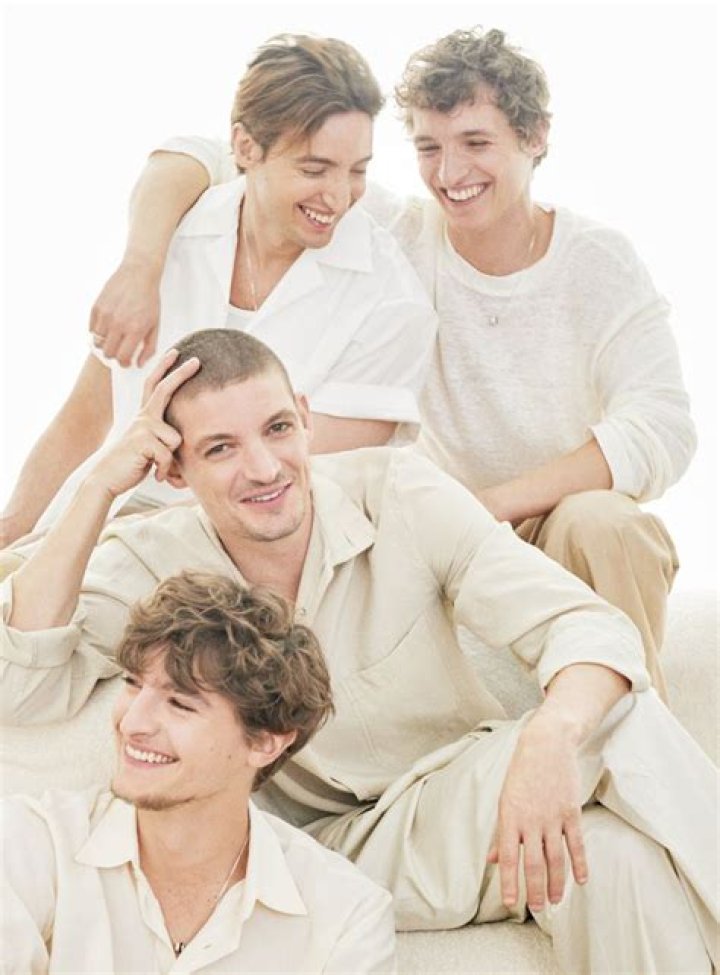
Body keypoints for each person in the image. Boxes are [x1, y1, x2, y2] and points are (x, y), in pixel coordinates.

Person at [2, 330, 716, 974]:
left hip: (467, 804)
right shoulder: (151, 558)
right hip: (328, 852)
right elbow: (22, 681)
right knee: (621, 728)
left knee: (612, 855)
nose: (263, 467)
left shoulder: (399, 491)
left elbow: (585, 625)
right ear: (174, 469)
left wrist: (551, 735)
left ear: (305, 417)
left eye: (278, 428)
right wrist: (98, 483)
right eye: (220, 448)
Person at [84, 28, 698, 700]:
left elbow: (662, 428)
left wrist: (491, 506)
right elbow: (207, 157)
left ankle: (637, 737)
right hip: (436, 535)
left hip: (552, 523)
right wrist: (141, 266)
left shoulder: (598, 262)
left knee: (603, 522)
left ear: (535, 137)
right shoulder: (395, 231)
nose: (450, 173)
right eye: (429, 148)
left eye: (475, 143)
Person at [0, 33, 436, 546]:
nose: (339, 196)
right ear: (246, 148)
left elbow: (287, 488)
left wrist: (91, 542)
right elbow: (87, 418)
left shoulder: (392, 307)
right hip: (95, 522)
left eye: (358, 171)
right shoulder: (175, 234)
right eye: (314, 169)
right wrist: (14, 534)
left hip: (240, 555)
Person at [2, 569, 396, 973]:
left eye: (180, 704)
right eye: (133, 684)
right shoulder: (32, 846)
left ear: (266, 742)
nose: (133, 722)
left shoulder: (346, 920)